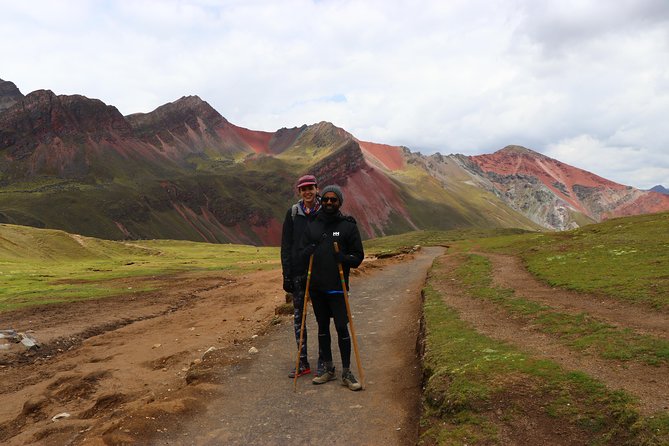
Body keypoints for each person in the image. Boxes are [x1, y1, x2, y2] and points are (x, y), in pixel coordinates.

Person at [301, 185, 364, 391]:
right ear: (322, 200)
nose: (329, 203)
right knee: (322, 328)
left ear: (339, 203)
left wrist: (343, 258)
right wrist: (306, 252)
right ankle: (328, 369)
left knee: (340, 327)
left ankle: (346, 372)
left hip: (337, 287)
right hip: (317, 288)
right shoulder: (312, 225)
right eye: (326, 199)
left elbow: (358, 257)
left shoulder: (348, 226)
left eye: (333, 200)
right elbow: (301, 253)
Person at [281, 174, 322, 378]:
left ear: (317, 188)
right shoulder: (293, 214)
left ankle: (324, 361)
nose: (307, 192)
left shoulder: (325, 211)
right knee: (299, 319)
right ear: (299, 192)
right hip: (298, 274)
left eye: (310, 188)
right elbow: (286, 246)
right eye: (303, 189)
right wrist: (286, 274)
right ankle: (302, 361)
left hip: (320, 274)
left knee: (323, 317)